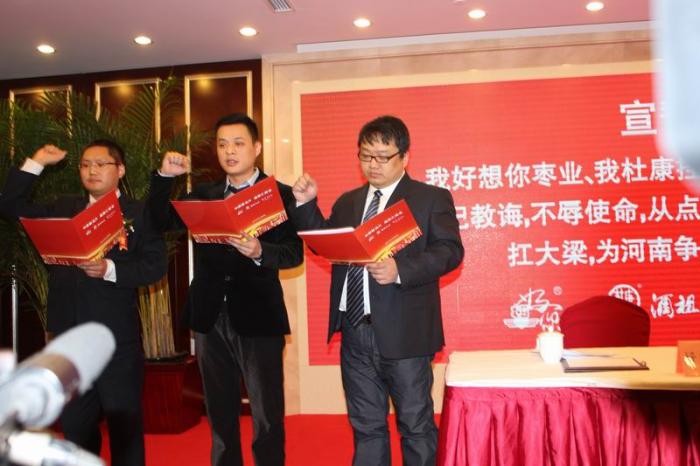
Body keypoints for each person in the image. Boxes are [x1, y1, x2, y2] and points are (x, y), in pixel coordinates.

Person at [291, 115, 464, 466]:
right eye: (366, 155)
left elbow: (450, 251)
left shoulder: (429, 198)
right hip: (355, 332)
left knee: (415, 426)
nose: (373, 164)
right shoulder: (349, 202)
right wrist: (307, 204)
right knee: (366, 426)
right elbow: (324, 245)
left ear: (405, 157)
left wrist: (401, 270)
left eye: (383, 157)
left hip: (406, 334)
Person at [147, 113, 303, 466]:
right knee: (219, 411)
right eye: (222, 144)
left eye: (238, 143)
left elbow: (294, 253)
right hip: (210, 314)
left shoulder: (280, 195)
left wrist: (260, 250)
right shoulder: (205, 195)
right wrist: (164, 178)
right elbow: (158, 222)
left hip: (259, 317)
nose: (229, 151)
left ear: (256, 148)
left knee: (266, 413)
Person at [0, 140, 167, 466]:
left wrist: (110, 269)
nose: (92, 170)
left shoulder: (139, 213)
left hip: (116, 339)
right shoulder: (64, 207)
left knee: (125, 432)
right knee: (76, 430)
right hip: (68, 341)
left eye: (101, 164)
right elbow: (9, 205)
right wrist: (36, 162)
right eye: (86, 164)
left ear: (120, 170)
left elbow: (155, 266)